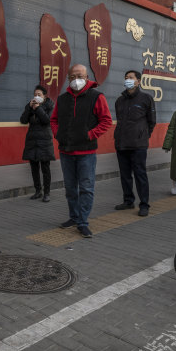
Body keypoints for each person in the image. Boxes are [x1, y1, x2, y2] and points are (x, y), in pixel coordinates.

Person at [50, 64, 113, 238]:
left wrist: (90, 135)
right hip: (66, 151)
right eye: (73, 76)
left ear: (87, 77)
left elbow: (106, 121)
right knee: (70, 188)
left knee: (86, 188)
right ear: (68, 79)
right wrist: (58, 134)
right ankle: (74, 216)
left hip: (86, 152)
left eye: (80, 76)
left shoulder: (96, 96)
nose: (76, 79)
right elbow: (53, 120)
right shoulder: (62, 99)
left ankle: (83, 222)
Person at [113, 70, 156, 217]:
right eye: (126, 78)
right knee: (125, 175)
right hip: (121, 143)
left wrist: (143, 136)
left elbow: (152, 122)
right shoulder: (119, 100)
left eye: (131, 78)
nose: (128, 80)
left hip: (138, 145)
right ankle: (128, 200)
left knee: (140, 175)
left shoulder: (146, 98)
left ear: (138, 81)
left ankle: (144, 204)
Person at [20, 85, 55, 202]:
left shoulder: (50, 106)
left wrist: (38, 108)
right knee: (34, 168)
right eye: (35, 94)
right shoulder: (30, 106)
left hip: (44, 141)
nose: (36, 97)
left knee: (45, 168)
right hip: (32, 141)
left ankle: (47, 193)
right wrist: (29, 109)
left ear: (45, 96)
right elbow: (23, 120)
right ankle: (38, 191)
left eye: (39, 95)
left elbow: (47, 121)